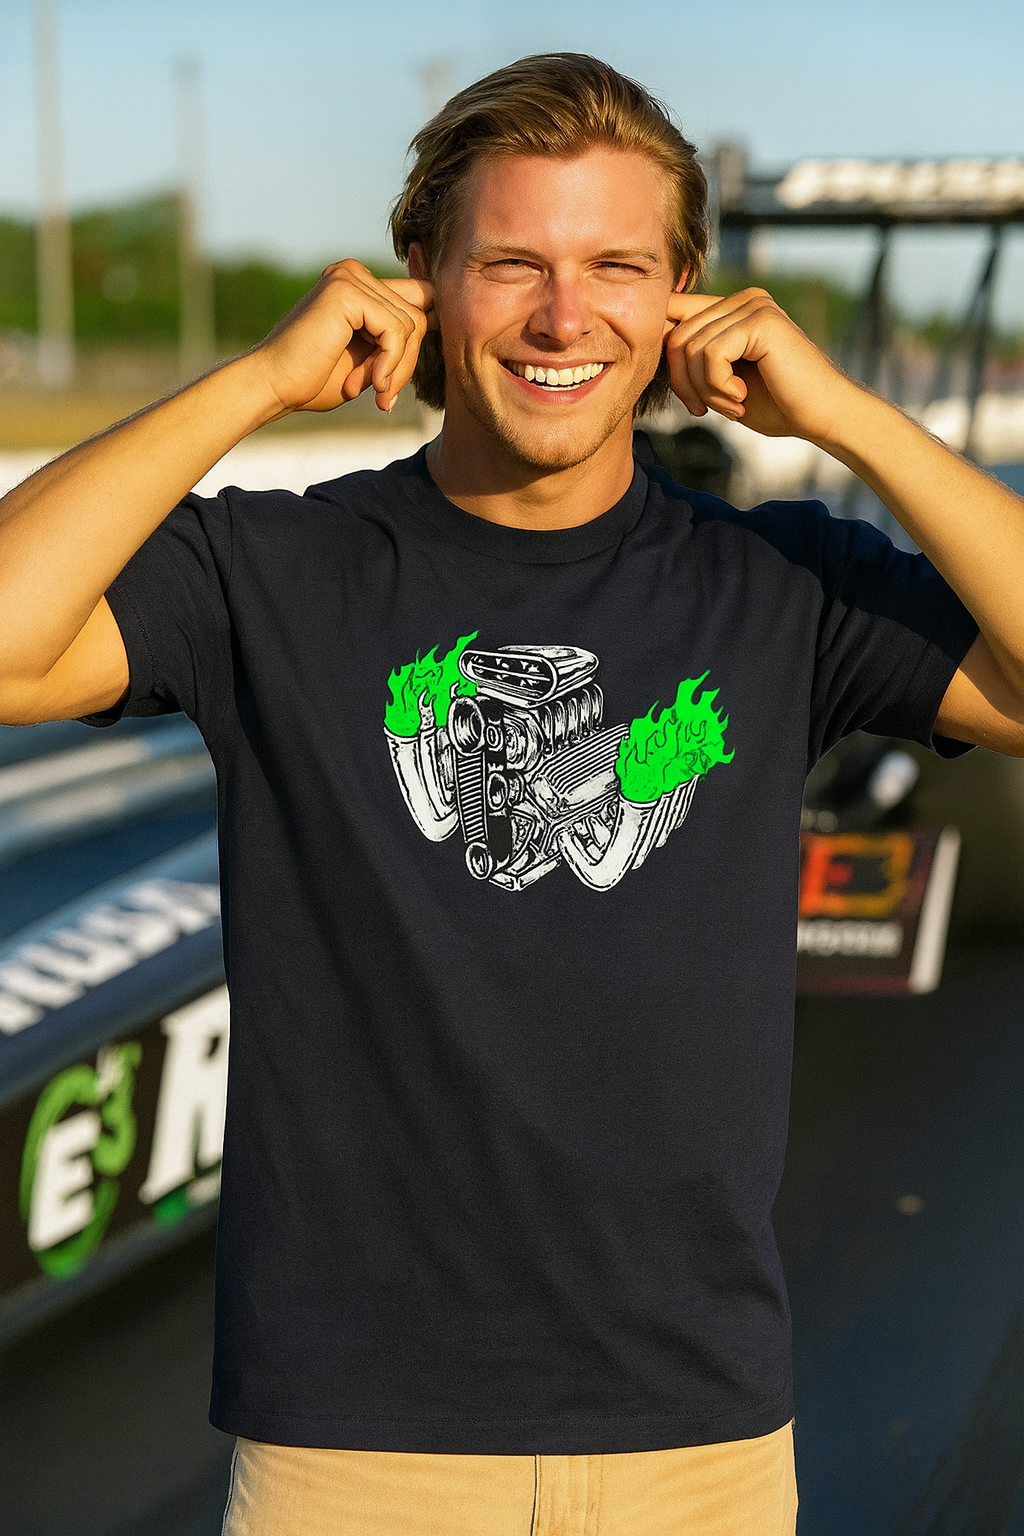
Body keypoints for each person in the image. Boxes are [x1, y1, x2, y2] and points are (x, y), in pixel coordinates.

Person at [1, 50, 1022, 1536]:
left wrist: (848, 417)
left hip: (699, 1444)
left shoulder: (780, 583)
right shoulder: (276, 574)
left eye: (618, 264)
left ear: (683, 298)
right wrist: (258, 381)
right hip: (355, 1453)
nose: (564, 316)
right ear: (421, 279)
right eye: (511, 264)